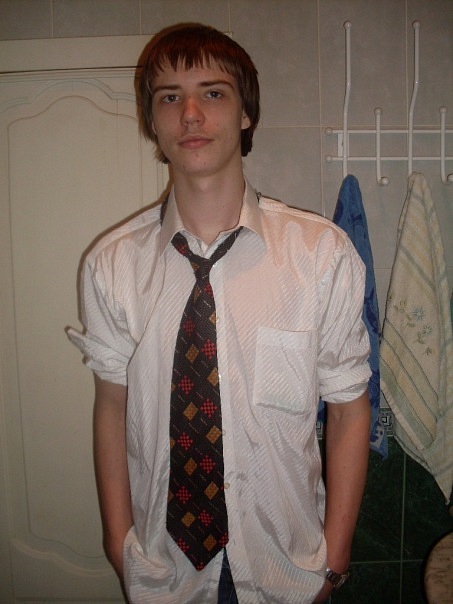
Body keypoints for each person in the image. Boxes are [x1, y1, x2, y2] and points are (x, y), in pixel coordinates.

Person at [68, 23, 371, 604]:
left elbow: (350, 410)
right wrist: (117, 541)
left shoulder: (321, 256)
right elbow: (111, 408)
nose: (190, 114)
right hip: (166, 575)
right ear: (152, 122)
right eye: (169, 97)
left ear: (246, 113)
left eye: (213, 93)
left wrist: (333, 562)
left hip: (289, 570)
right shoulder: (112, 266)